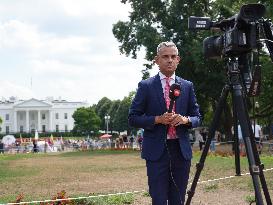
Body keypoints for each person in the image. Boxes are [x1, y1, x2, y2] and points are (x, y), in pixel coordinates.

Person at [128, 41, 201, 205]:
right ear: (157, 60)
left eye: (173, 57)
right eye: (165, 56)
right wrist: (157, 119)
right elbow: (133, 117)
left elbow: (197, 117)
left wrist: (185, 120)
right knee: (159, 199)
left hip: (180, 152)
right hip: (156, 152)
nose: (169, 60)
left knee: (178, 199)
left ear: (178, 60)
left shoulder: (187, 86)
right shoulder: (146, 86)